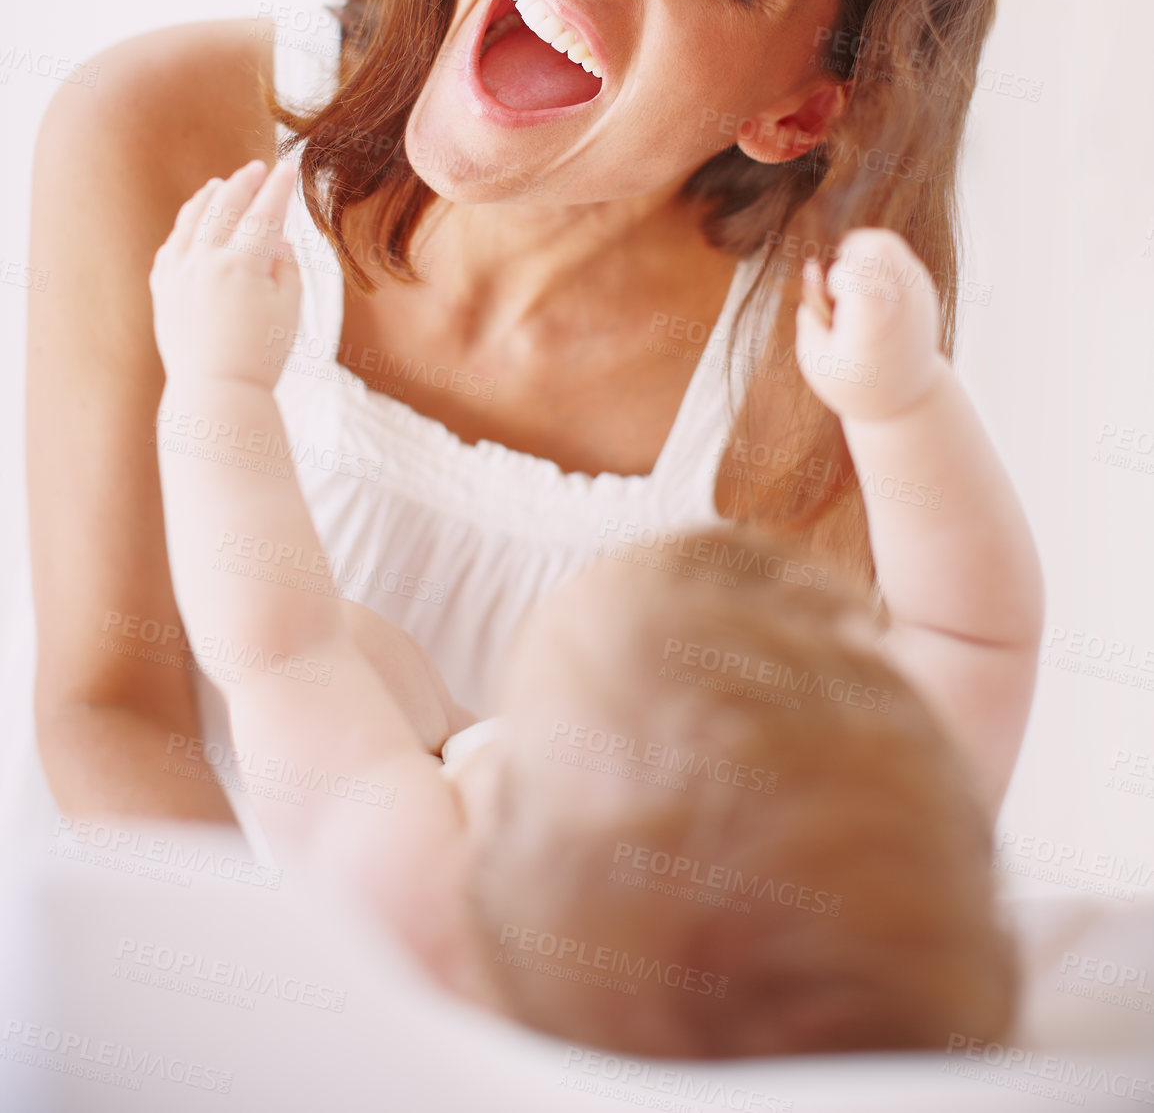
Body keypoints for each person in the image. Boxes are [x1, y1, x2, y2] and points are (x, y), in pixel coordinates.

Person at [27, 0, 1018, 820]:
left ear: (795, 112)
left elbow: (741, 859)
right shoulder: (161, 127)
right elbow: (107, 709)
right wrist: (253, 995)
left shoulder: (808, 398)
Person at [143, 157, 1036, 1057]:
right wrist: (899, 400)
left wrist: (217, 380)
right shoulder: (876, 893)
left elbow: (281, 650)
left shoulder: (432, 929)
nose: (484, 716)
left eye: (517, 728)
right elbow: (971, 632)